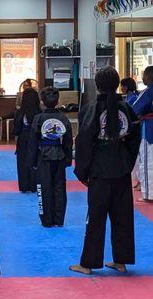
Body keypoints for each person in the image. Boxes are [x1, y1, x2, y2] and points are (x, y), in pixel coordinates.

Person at [69, 66, 141, 275]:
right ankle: (121, 261)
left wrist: (82, 172)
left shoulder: (91, 109)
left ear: (97, 86)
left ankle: (88, 264)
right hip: (121, 170)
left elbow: (83, 142)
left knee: (96, 218)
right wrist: (127, 162)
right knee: (123, 217)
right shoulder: (127, 109)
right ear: (118, 84)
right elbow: (134, 139)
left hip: (100, 173)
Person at [28, 86, 73, 227]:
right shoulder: (63, 118)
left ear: (42, 101)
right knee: (59, 189)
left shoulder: (38, 118)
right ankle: (59, 220)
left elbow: (33, 141)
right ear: (58, 101)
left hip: (43, 157)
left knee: (43, 188)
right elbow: (68, 140)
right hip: (59, 155)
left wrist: (32, 161)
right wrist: (67, 158)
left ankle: (47, 220)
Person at [12, 88, 41, 193]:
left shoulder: (19, 113)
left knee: (22, 163)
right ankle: (34, 186)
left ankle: (24, 186)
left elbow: (16, 130)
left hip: (23, 138)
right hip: (36, 140)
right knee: (35, 162)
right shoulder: (39, 113)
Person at [132, 66, 153, 202]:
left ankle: (149, 194)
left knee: (147, 162)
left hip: (150, 131)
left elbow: (134, 109)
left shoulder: (148, 92)